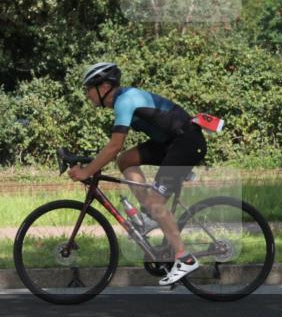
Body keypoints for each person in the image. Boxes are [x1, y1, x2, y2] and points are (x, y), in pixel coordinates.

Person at [65, 62, 207, 285]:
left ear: (103, 88)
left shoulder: (125, 101)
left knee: (154, 199)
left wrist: (86, 171)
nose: (87, 94)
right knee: (126, 160)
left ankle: (184, 258)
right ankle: (149, 213)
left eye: (88, 88)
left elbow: (114, 146)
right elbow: (117, 152)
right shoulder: (124, 99)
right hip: (172, 142)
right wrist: (89, 166)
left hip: (185, 143)